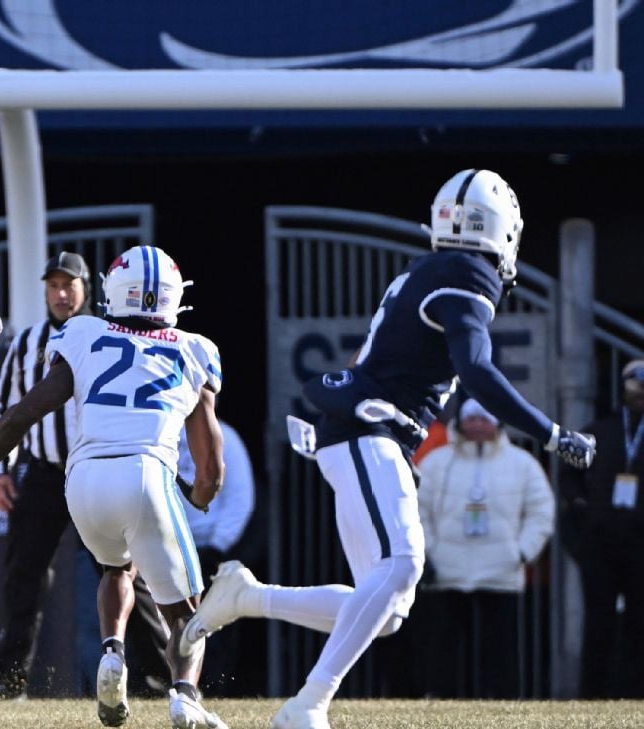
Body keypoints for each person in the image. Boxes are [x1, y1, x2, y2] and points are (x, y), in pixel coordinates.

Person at [178, 169, 596, 729]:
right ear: (500, 231)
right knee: (403, 565)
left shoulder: (430, 270)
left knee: (390, 609)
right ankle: (308, 705)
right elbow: (475, 369)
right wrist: (550, 432)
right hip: (368, 434)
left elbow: (370, 364)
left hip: (366, 433)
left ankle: (248, 598)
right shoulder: (467, 273)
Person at [0, 244, 229, 729]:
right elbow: (211, 466)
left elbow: (20, 413)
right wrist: (198, 498)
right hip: (144, 474)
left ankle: (112, 650)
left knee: (116, 569)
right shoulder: (194, 348)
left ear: (108, 290)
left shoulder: (84, 334)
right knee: (187, 614)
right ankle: (185, 694)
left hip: (82, 477)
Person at [0, 251, 169, 701]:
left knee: (126, 574)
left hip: (96, 470)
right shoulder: (27, 342)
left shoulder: (107, 336)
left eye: (68, 285)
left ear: (87, 289)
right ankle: (8, 681)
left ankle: (161, 678)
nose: (60, 294)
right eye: (53, 286)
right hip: (43, 473)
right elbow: (6, 406)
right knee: (24, 576)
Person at [415, 398, 553, 698]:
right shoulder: (437, 461)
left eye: (484, 418)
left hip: (501, 571)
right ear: (461, 423)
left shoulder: (522, 463)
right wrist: (430, 551)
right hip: (446, 571)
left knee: (502, 651)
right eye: (472, 419)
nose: (477, 425)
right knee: (443, 651)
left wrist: (520, 553)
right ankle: (440, 707)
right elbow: (416, 511)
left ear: (497, 423)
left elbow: (541, 513)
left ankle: (503, 707)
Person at [560, 360, 644, 698]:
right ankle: (591, 696)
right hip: (601, 541)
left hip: (641, 542)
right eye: (634, 383)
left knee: (640, 622)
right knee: (598, 622)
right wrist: (581, 505)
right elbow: (569, 473)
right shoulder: (602, 429)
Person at [177, 421, 255, 697]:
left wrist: (217, 546)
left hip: (206, 551)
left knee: (211, 627)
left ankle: (213, 691)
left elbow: (239, 498)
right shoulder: (159, 428)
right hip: (161, 547)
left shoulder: (226, 436)